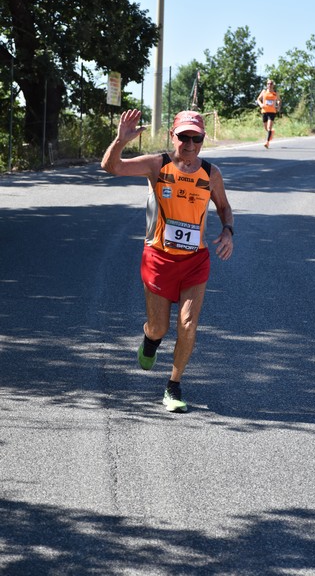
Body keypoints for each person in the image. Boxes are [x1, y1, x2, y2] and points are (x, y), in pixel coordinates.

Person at [101, 109, 234, 413]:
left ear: (202, 139)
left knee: (188, 325)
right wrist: (120, 141)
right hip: (159, 259)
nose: (189, 144)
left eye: (196, 138)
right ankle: (150, 339)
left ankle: (173, 385)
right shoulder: (157, 164)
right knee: (159, 328)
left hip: (195, 262)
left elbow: (225, 207)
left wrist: (228, 231)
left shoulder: (210, 173)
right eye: (183, 136)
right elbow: (112, 167)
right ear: (172, 136)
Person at [256, 79, 282, 148]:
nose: (269, 85)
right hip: (264, 111)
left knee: (269, 127)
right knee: (266, 128)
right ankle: (271, 132)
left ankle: (267, 142)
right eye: (268, 84)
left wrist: (278, 106)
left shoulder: (275, 93)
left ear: (273, 85)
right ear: (266, 85)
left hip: (272, 111)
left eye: (271, 84)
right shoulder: (264, 92)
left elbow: (279, 100)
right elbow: (258, 99)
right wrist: (261, 104)